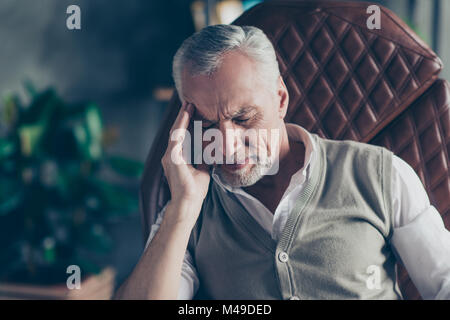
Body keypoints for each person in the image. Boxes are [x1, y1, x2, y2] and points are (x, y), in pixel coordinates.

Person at [115, 25, 450, 300]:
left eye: (243, 118)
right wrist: (182, 209)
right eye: (206, 124)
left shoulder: (380, 174)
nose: (228, 145)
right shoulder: (185, 212)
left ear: (280, 99)